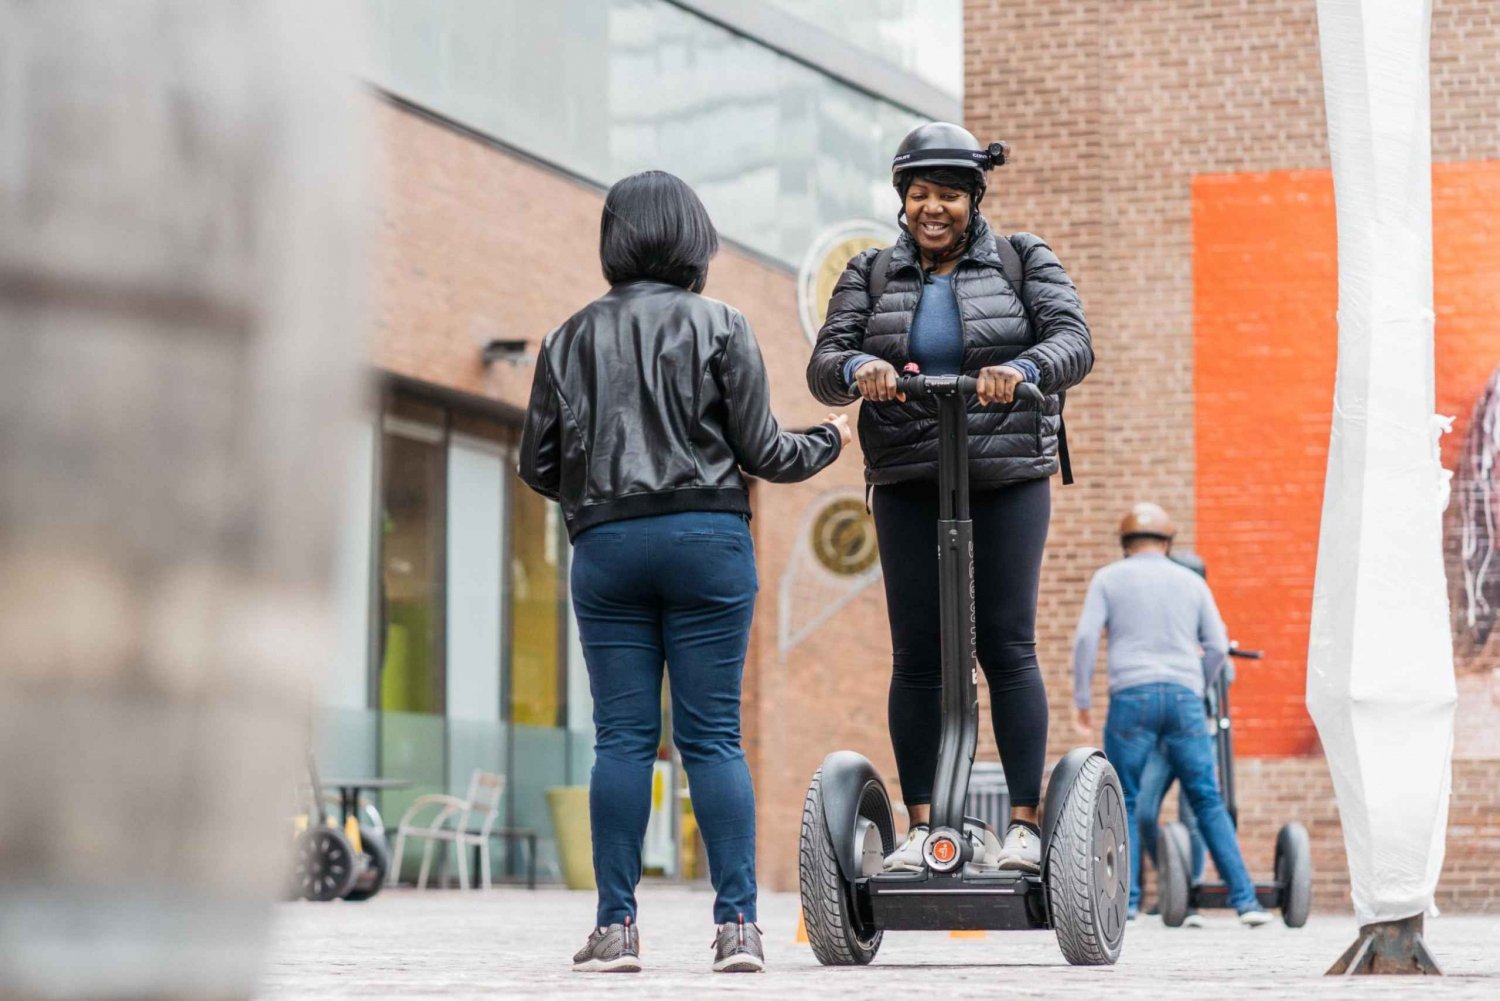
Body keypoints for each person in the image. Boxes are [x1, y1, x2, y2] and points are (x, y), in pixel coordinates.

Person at [520, 170, 851, 974]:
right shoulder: (723, 325)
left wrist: (596, 493)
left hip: (606, 548)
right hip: (707, 539)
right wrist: (832, 438)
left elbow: (537, 464)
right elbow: (766, 453)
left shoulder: (567, 338)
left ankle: (616, 928)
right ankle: (738, 926)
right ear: (695, 239)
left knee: (623, 740)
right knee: (712, 736)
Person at [807, 122, 1094, 872]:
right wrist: (860, 367)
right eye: (919, 194)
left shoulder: (1021, 258)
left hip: (1005, 474)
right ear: (902, 199)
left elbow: (1074, 341)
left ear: (974, 198)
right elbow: (825, 361)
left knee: (1006, 643)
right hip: (907, 474)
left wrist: (1024, 367)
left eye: (949, 196)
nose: (932, 209)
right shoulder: (869, 273)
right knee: (920, 656)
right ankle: (926, 827)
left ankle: (1025, 827)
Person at [1071, 503, 1272, 926]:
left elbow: (1087, 638)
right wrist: (1194, 684)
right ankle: (1247, 903)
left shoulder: (1107, 578)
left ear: (1126, 543)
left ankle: (1126, 904)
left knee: (1122, 798)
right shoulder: (1190, 582)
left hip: (1131, 694)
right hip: (1184, 698)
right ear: (1168, 542)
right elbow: (1217, 645)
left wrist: (1083, 699)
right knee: (1207, 799)